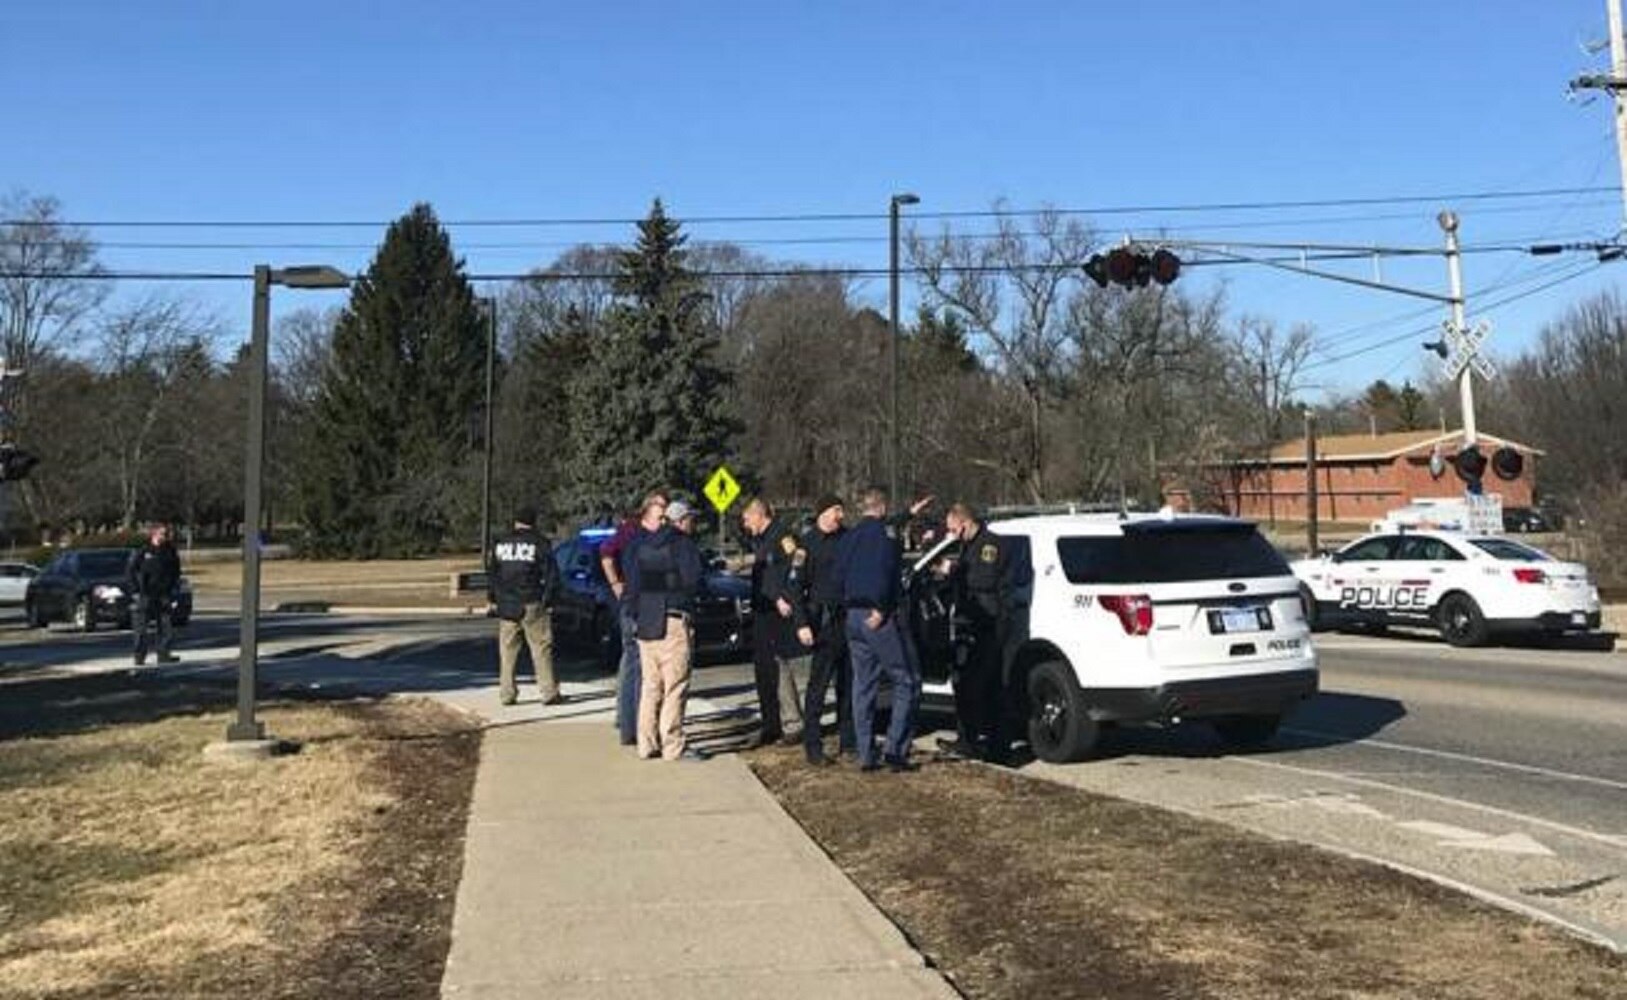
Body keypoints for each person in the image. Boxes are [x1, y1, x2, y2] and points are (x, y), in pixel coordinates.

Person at [938, 503, 1031, 764]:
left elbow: (983, 580)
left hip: (990, 624)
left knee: (992, 685)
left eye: (953, 529)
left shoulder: (990, 545)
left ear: (965, 523)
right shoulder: (967, 545)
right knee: (965, 683)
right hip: (972, 622)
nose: (951, 534)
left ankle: (998, 748)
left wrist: (952, 570)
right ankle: (967, 739)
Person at [836, 487, 920, 773]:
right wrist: (882, 609)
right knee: (905, 680)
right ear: (882, 507)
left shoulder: (849, 538)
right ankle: (895, 750)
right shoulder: (886, 536)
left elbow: (838, 575)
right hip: (877, 616)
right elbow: (887, 572)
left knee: (863, 685)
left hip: (853, 616)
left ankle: (865, 753)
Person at [627, 499, 708, 761]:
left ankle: (646, 743)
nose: (692, 524)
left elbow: (632, 584)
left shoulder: (639, 544)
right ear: (680, 521)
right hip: (673, 620)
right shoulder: (683, 544)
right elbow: (694, 580)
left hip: (646, 620)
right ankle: (673, 745)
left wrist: (635, 613)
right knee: (675, 685)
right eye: (690, 519)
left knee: (651, 686)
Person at [601, 491, 667, 745]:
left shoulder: (648, 533)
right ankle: (633, 725)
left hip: (643, 603)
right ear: (647, 509)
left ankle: (626, 719)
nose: (663, 514)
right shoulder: (630, 531)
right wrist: (615, 583)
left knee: (630, 662)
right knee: (637, 664)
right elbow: (606, 553)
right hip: (635, 604)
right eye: (660, 508)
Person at [739, 497, 805, 747]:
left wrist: (782, 596)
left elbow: (795, 568)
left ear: (760, 515)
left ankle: (792, 723)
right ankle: (771, 723)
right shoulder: (763, 539)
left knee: (778, 666)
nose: (746, 524)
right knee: (763, 669)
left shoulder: (782, 536)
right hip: (762, 610)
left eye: (748, 519)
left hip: (776, 612)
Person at [800, 494, 856, 766]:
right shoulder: (807, 543)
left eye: (841, 511)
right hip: (822, 621)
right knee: (818, 686)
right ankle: (813, 744)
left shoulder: (848, 538)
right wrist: (801, 623)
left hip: (848, 617)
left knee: (849, 682)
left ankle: (849, 741)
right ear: (823, 513)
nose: (840, 516)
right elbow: (794, 585)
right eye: (836, 511)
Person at [487, 505, 561, 707]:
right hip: (532, 602)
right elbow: (552, 574)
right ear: (533, 522)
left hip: (507, 604)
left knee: (507, 651)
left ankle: (507, 693)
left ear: (516, 521)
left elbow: (493, 574)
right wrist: (549, 600)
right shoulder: (540, 543)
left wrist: (493, 598)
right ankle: (548, 691)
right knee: (541, 648)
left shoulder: (501, 542)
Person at [126, 523, 181, 666]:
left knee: (165, 626)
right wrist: (135, 591)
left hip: (164, 594)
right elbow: (131, 571)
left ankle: (163, 654)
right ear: (154, 534)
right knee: (141, 629)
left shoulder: (170, 551)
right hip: (145, 594)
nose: (165, 536)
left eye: (166, 534)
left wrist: (173, 588)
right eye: (163, 534)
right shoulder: (143, 550)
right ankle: (139, 656)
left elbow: (176, 571)